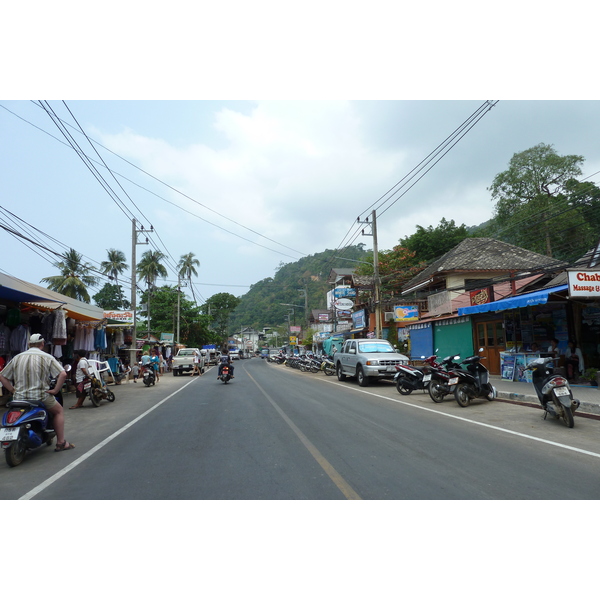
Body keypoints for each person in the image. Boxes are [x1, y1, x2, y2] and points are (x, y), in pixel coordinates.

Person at [0, 333, 73, 452]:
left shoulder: (18, 357)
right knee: (59, 411)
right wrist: (55, 390)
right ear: (42, 344)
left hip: (19, 397)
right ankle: (61, 442)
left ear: (29, 344)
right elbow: (63, 374)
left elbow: (2, 376)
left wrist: (13, 390)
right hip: (40, 396)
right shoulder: (47, 357)